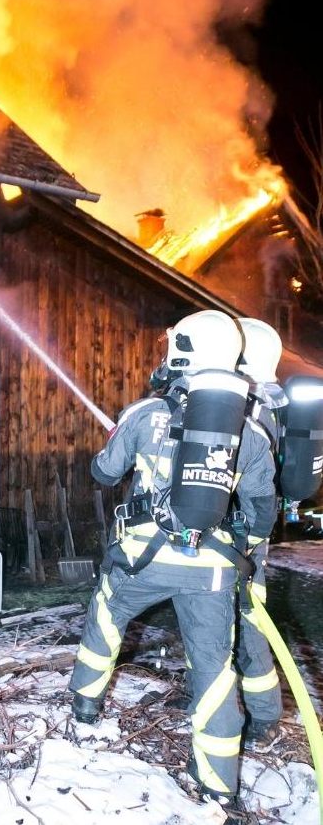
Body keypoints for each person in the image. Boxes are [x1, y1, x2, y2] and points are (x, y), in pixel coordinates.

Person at [68, 309, 277, 809]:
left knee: (106, 619)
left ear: (179, 350)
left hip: (141, 561)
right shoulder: (249, 434)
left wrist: (130, 436)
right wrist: (240, 552)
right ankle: (218, 785)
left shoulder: (144, 413)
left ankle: (84, 708)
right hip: (211, 571)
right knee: (214, 667)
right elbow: (262, 510)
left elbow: (103, 471)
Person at [234, 317, 288, 746]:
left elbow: (253, 481)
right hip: (226, 528)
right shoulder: (248, 401)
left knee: (249, 623)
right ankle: (210, 695)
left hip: (244, 534)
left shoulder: (257, 409)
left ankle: (265, 716)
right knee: (208, 617)